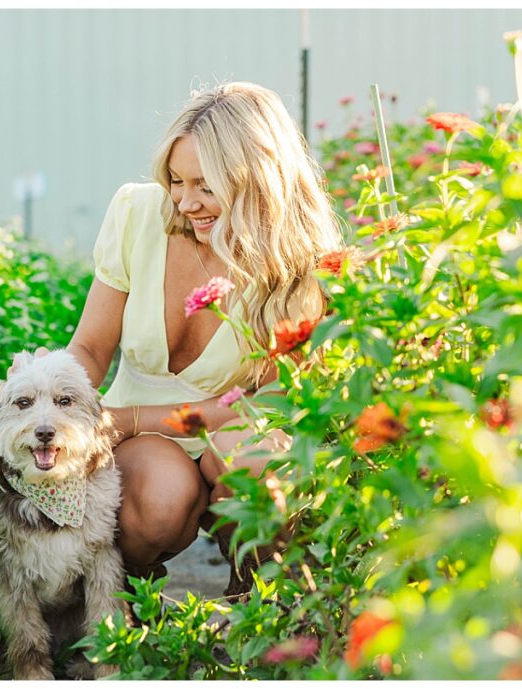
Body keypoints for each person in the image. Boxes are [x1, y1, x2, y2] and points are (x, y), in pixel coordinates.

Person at [66, 81, 342, 595]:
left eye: (206, 186)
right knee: (162, 498)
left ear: (257, 181)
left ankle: (256, 596)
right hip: (138, 433)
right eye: (176, 181)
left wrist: (136, 420)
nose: (186, 202)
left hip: (233, 422)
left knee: (254, 463)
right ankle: (122, 602)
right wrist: (59, 407)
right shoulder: (138, 214)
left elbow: (284, 394)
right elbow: (91, 347)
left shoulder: (299, 259)